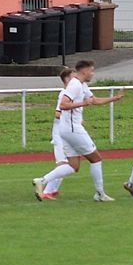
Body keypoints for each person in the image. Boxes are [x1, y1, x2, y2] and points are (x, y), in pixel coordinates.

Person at [33, 60, 123, 202]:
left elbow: (94, 100)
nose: (93, 74)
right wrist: (82, 103)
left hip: (66, 130)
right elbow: (63, 105)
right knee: (96, 158)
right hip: (73, 129)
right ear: (84, 71)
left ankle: (41, 181)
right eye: (91, 71)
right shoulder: (75, 85)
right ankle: (100, 194)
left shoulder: (82, 85)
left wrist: (114, 98)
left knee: (73, 166)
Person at [39, 68, 75, 200]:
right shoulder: (64, 94)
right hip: (60, 134)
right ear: (67, 79)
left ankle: (52, 189)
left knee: (67, 163)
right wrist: (73, 118)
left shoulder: (71, 93)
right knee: (64, 164)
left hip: (67, 134)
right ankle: (46, 188)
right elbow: (57, 113)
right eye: (74, 77)